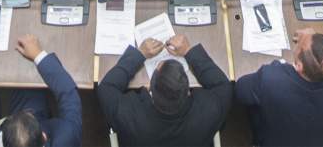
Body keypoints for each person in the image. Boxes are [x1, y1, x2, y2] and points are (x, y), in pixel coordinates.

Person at [98, 34, 231, 146]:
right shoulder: (209, 111)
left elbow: (107, 87)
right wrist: (189, 51)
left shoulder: (128, 114)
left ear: (150, 88)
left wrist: (139, 54)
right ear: (188, 90)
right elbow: (223, 85)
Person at [235, 28, 323, 147]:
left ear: (299, 66)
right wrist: (322, 49)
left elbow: (241, 90)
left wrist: (278, 67)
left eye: (299, 45)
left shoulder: (271, 79)